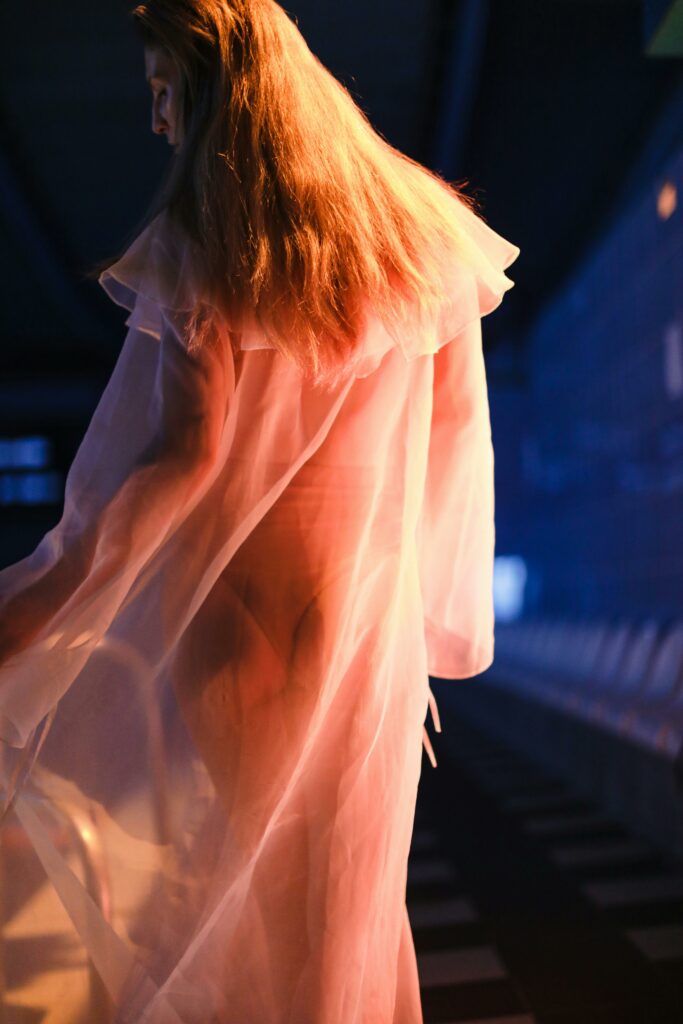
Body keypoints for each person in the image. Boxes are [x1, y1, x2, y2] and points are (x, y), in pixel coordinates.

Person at [0, 1, 520, 1021]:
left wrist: (52, 590)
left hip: (230, 625)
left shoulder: (208, 240)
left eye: (164, 90)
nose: (157, 119)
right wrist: (424, 620)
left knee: (272, 909)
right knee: (357, 907)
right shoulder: (420, 230)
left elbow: (182, 457)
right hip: (355, 627)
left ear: (212, 87)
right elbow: (458, 434)